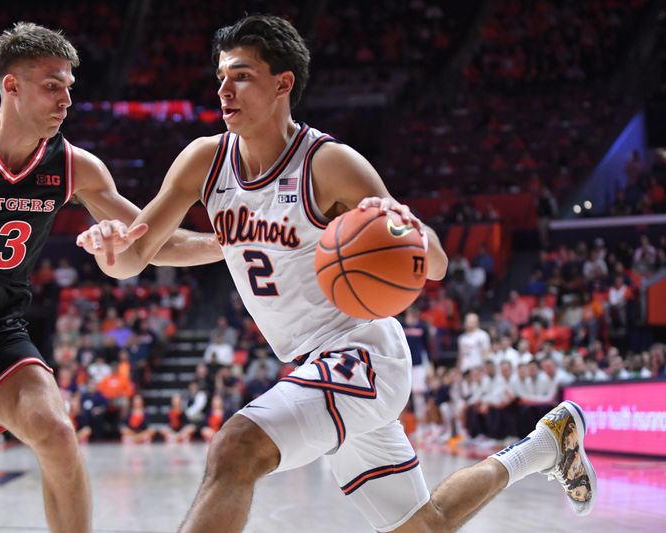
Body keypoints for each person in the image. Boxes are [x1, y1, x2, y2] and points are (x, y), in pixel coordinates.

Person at [76, 15, 596, 533]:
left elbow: (433, 264)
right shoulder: (203, 161)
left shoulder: (328, 164)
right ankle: (543, 447)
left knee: (236, 446)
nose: (224, 89)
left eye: (241, 75)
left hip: (362, 352)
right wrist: (109, 247)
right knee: (424, 527)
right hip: (314, 367)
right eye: (220, 77)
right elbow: (134, 257)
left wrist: (415, 234)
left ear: (283, 83)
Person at [0, 22, 221, 531]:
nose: (66, 101)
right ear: (11, 86)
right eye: (52, 85)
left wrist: (224, 246)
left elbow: (145, 239)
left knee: (57, 433)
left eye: (69, 88)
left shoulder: (74, 167)